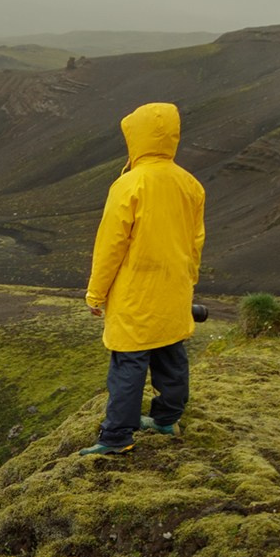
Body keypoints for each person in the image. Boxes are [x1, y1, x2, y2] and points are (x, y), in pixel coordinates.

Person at [79, 102, 205, 457]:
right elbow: (195, 242)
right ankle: (167, 418)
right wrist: (187, 282)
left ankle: (117, 435)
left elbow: (111, 245)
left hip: (137, 292)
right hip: (175, 288)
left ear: (136, 137)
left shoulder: (129, 184)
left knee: (128, 364)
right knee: (171, 352)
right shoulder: (190, 184)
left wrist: (95, 293)